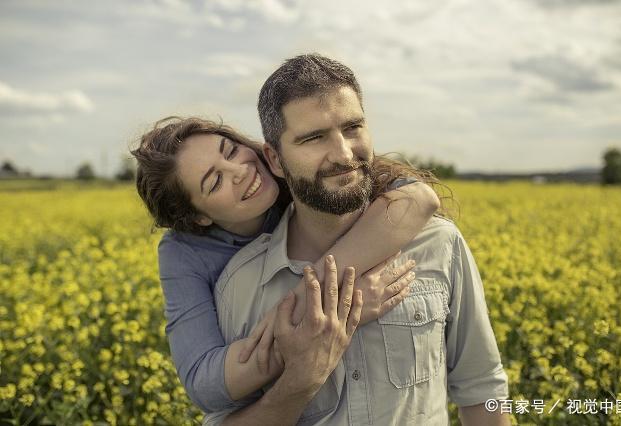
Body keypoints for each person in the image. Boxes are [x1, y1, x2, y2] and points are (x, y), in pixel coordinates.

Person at [205, 53, 510, 425]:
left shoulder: (438, 243)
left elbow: (483, 392)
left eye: (352, 127)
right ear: (275, 159)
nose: (344, 154)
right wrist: (301, 378)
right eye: (314, 138)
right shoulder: (240, 284)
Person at [131, 117, 443, 412]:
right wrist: (334, 314)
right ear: (199, 217)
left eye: (231, 150)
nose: (239, 170)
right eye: (215, 182)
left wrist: (312, 293)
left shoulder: (295, 172)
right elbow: (204, 382)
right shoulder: (183, 252)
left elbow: (418, 198)